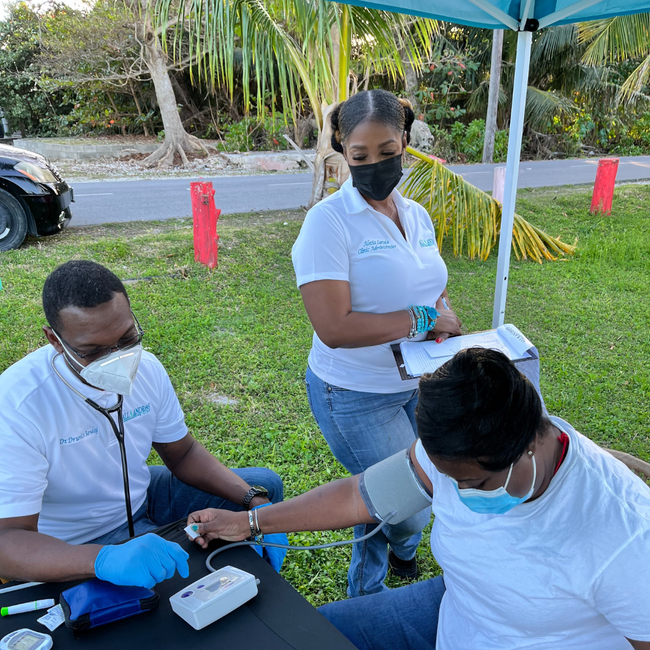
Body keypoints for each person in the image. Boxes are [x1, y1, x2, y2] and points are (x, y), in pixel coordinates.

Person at [187, 348, 650, 650]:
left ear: (529, 444)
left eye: (476, 483)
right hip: (459, 606)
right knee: (301, 639)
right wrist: (250, 522)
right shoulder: (461, 443)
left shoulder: (623, 534)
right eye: (448, 478)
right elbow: (360, 494)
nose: (460, 493)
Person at [0, 260, 286, 588]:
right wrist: (100, 559)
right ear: (54, 340)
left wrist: (252, 500)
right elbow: (7, 540)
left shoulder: (147, 369)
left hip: (143, 495)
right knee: (177, 589)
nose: (117, 359)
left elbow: (183, 453)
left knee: (266, 485)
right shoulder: (17, 406)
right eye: (93, 352)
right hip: (79, 540)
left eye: (126, 339)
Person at [291, 89, 462, 597]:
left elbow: (429, 285)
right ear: (343, 150)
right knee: (397, 501)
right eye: (359, 156)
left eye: (388, 153)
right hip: (354, 395)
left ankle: (402, 551)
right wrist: (421, 317)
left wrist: (442, 314)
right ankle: (365, 597)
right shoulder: (328, 222)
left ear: (405, 142)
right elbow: (334, 327)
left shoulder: (417, 214)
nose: (374, 166)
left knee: (423, 488)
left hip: (419, 379)